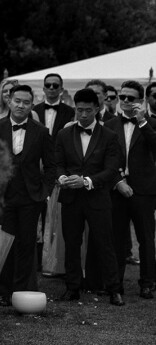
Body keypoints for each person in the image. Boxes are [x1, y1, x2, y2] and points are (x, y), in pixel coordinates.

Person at [53, 88, 124, 306]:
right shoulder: (64, 134)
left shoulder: (109, 136)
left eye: (88, 110)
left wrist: (86, 181)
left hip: (98, 198)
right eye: (79, 110)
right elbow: (57, 163)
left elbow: (111, 169)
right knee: (71, 244)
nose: (83, 115)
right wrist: (62, 177)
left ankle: (114, 289)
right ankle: (72, 287)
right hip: (71, 198)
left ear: (97, 109)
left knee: (105, 243)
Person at [0, 85, 56, 302]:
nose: (21, 106)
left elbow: (51, 166)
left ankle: (23, 290)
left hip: (30, 197)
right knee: (5, 243)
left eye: (26, 102)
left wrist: (44, 191)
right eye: (17, 101)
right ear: (9, 101)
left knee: (27, 244)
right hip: (4, 196)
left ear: (31, 105)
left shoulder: (41, 131)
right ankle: (4, 291)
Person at [104, 81, 156, 299]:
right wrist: (117, 181)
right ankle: (115, 285)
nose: (125, 100)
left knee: (146, 238)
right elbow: (105, 158)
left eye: (130, 98)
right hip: (117, 189)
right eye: (122, 96)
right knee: (116, 238)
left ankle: (147, 283)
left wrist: (142, 121)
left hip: (144, 190)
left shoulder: (151, 123)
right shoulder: (109, 125)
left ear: (140, 101)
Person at [32, 73, 75, 138]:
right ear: (44, 89)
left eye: (55, 85)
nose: (51, 87)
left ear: (61, 90)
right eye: (48, 85)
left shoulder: (69, 111)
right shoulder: (35, 110)